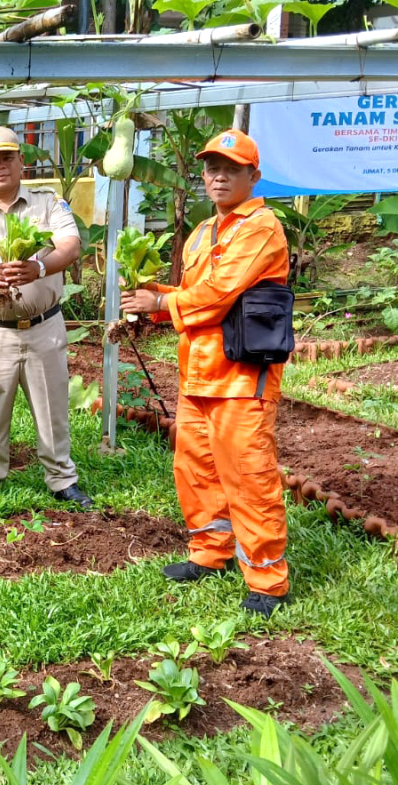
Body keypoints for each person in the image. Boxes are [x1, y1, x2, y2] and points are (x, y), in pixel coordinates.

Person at [120, 129, 290, 618]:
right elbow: (191, 292)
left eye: (232, 169)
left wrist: (161, 303)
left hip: (241, 376)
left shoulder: (260, 228)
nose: (219, 177)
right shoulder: (202, 231)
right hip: (197, 374)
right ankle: (210, 553)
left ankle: (267, 580)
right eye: (213, 168)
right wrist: (153, 298)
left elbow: (218, 294)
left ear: (253, 177)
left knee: (248, 475)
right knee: (196, 469)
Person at [0, 126, 92, 508]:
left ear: (21, 161)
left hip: (43, 326)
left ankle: (62, 479)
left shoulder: (48, 203)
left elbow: (70, 246)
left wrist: (39, 268)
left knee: (52, 407)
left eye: (7, 158)